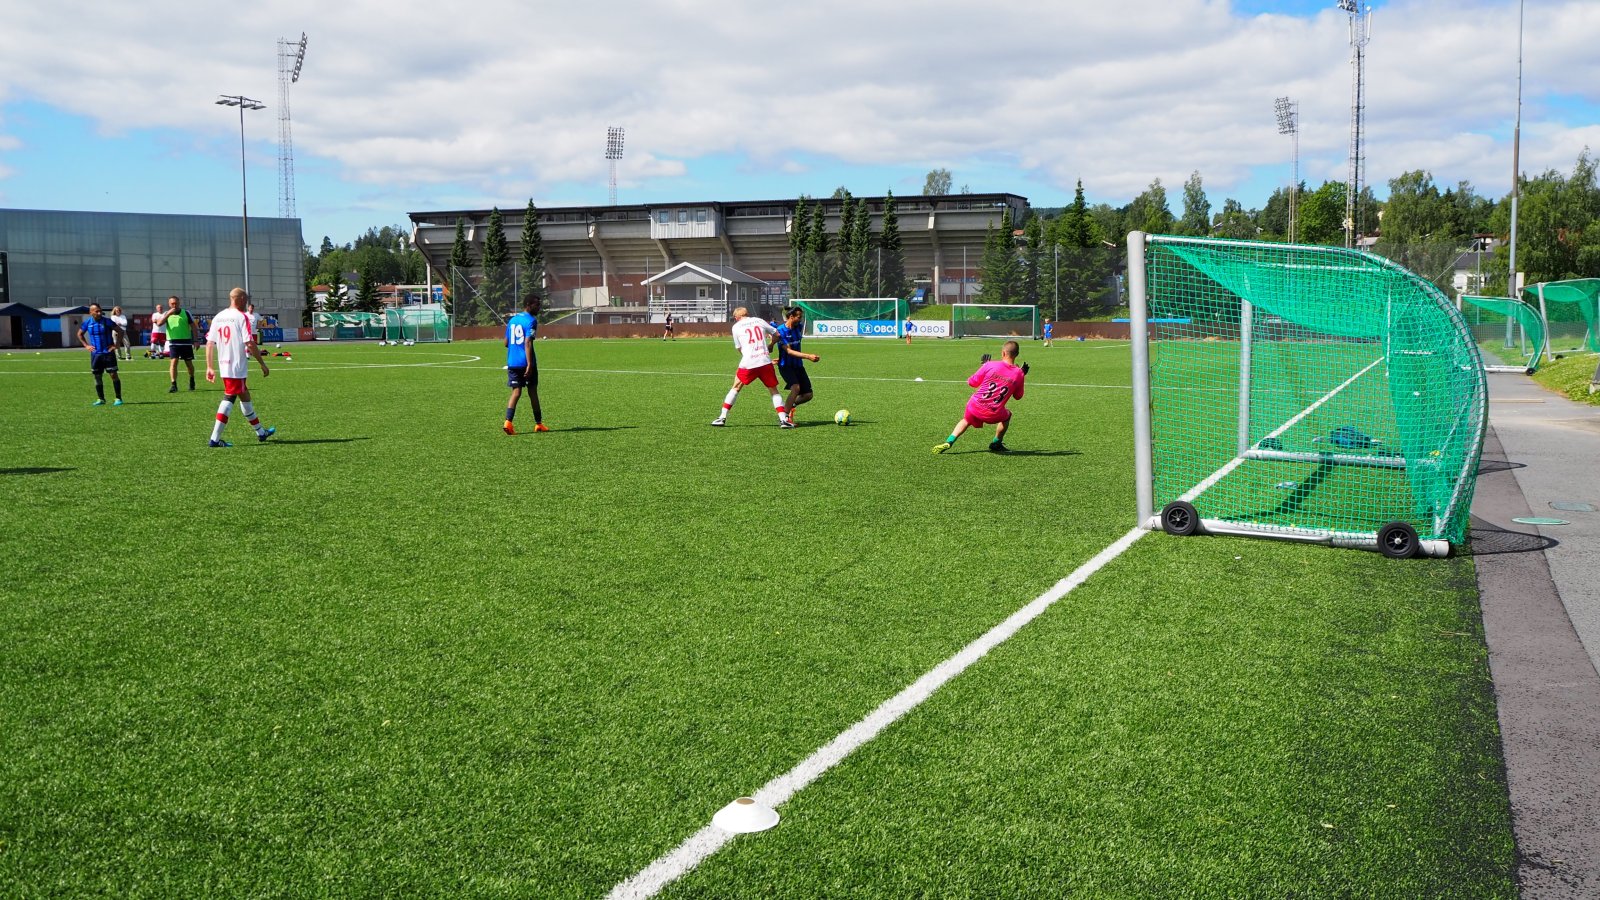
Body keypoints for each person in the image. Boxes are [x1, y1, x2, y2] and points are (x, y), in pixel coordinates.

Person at [204, 288, 274, 447]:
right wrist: (262, 363)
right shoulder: (241, 317)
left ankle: (261, 432)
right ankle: (214, 439)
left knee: (245, 395)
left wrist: (209, 366)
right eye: (246, 299)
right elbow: (249, 343)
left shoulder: (219, 316)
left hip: (224, 365)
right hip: (236, 366)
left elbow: (209, 343)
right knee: (229, 397)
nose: (247, 302)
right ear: (241, 299)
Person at [932, 340, 1028, 454]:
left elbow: (972, 382)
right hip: (993, 413)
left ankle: (949, 441)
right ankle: (996, 443)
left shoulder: (990, 364)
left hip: (975, 406)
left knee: (966, 420)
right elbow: (1018, 396)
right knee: (1007, 416)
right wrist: (1021, 375)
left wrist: (984, 366)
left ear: (1003, 353)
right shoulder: (1019, 374)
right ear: (1017, 354)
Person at [711, 307, 791, 428]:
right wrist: (770, 346)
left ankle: (722, 417)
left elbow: (738, 348)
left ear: (737, 317)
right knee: (773, 390)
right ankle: (783, 420)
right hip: (764, 361)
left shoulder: (736, 327)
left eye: (735, 318)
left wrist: (749, 356)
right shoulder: (759, 320)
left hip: (748, 363)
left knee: (736, 387)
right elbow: (777, 334)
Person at [503, 292, 547, 435]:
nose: (539, 307)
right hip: (527, 363)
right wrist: (529, 364)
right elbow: (528, 342)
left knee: (516, 392)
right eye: (537, 304)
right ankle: (539, 423)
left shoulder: (512, 320)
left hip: (512, 362)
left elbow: (505, 342)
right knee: (532, 391)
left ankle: (508, 422)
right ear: (529, 305)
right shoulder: (531, 321)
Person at [773, 306, 821, 418]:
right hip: (786, 366)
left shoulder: (798, 327)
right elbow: (789, 351)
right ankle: (784, 418)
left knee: (808, 395)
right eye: (799, 317)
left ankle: (789, 406)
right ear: (791, 317)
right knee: (796, 388)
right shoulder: (781, 331)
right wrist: (808, 356)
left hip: (798, 365)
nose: (801, 319)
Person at [78, 303, 125, 406]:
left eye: (100, 311)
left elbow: (121, 332)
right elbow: (79, 334)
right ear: (91, 312)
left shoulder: (107, 321)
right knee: (97, 376)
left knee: (113, 375)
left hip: (108, 353)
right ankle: (101, 399)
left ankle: (118, 398)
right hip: (96, 354)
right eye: (96, 311)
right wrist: (86, 346)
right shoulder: (87, 323)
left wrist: (116, 345)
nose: (99, 313)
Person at [154, 295, 198, 392]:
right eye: (172, 303)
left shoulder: (186, 313)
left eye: (176, 303)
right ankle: (174, 384)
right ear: (169, 304)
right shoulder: (166, 313)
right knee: (174, 362)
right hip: (173, 343)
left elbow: (194, 327)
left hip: (186, 342)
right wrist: (168, 314)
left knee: (189, 364)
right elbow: (159, 323)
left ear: (179, 303)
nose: (174, 305)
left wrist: (196, 340)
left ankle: (192, 379)